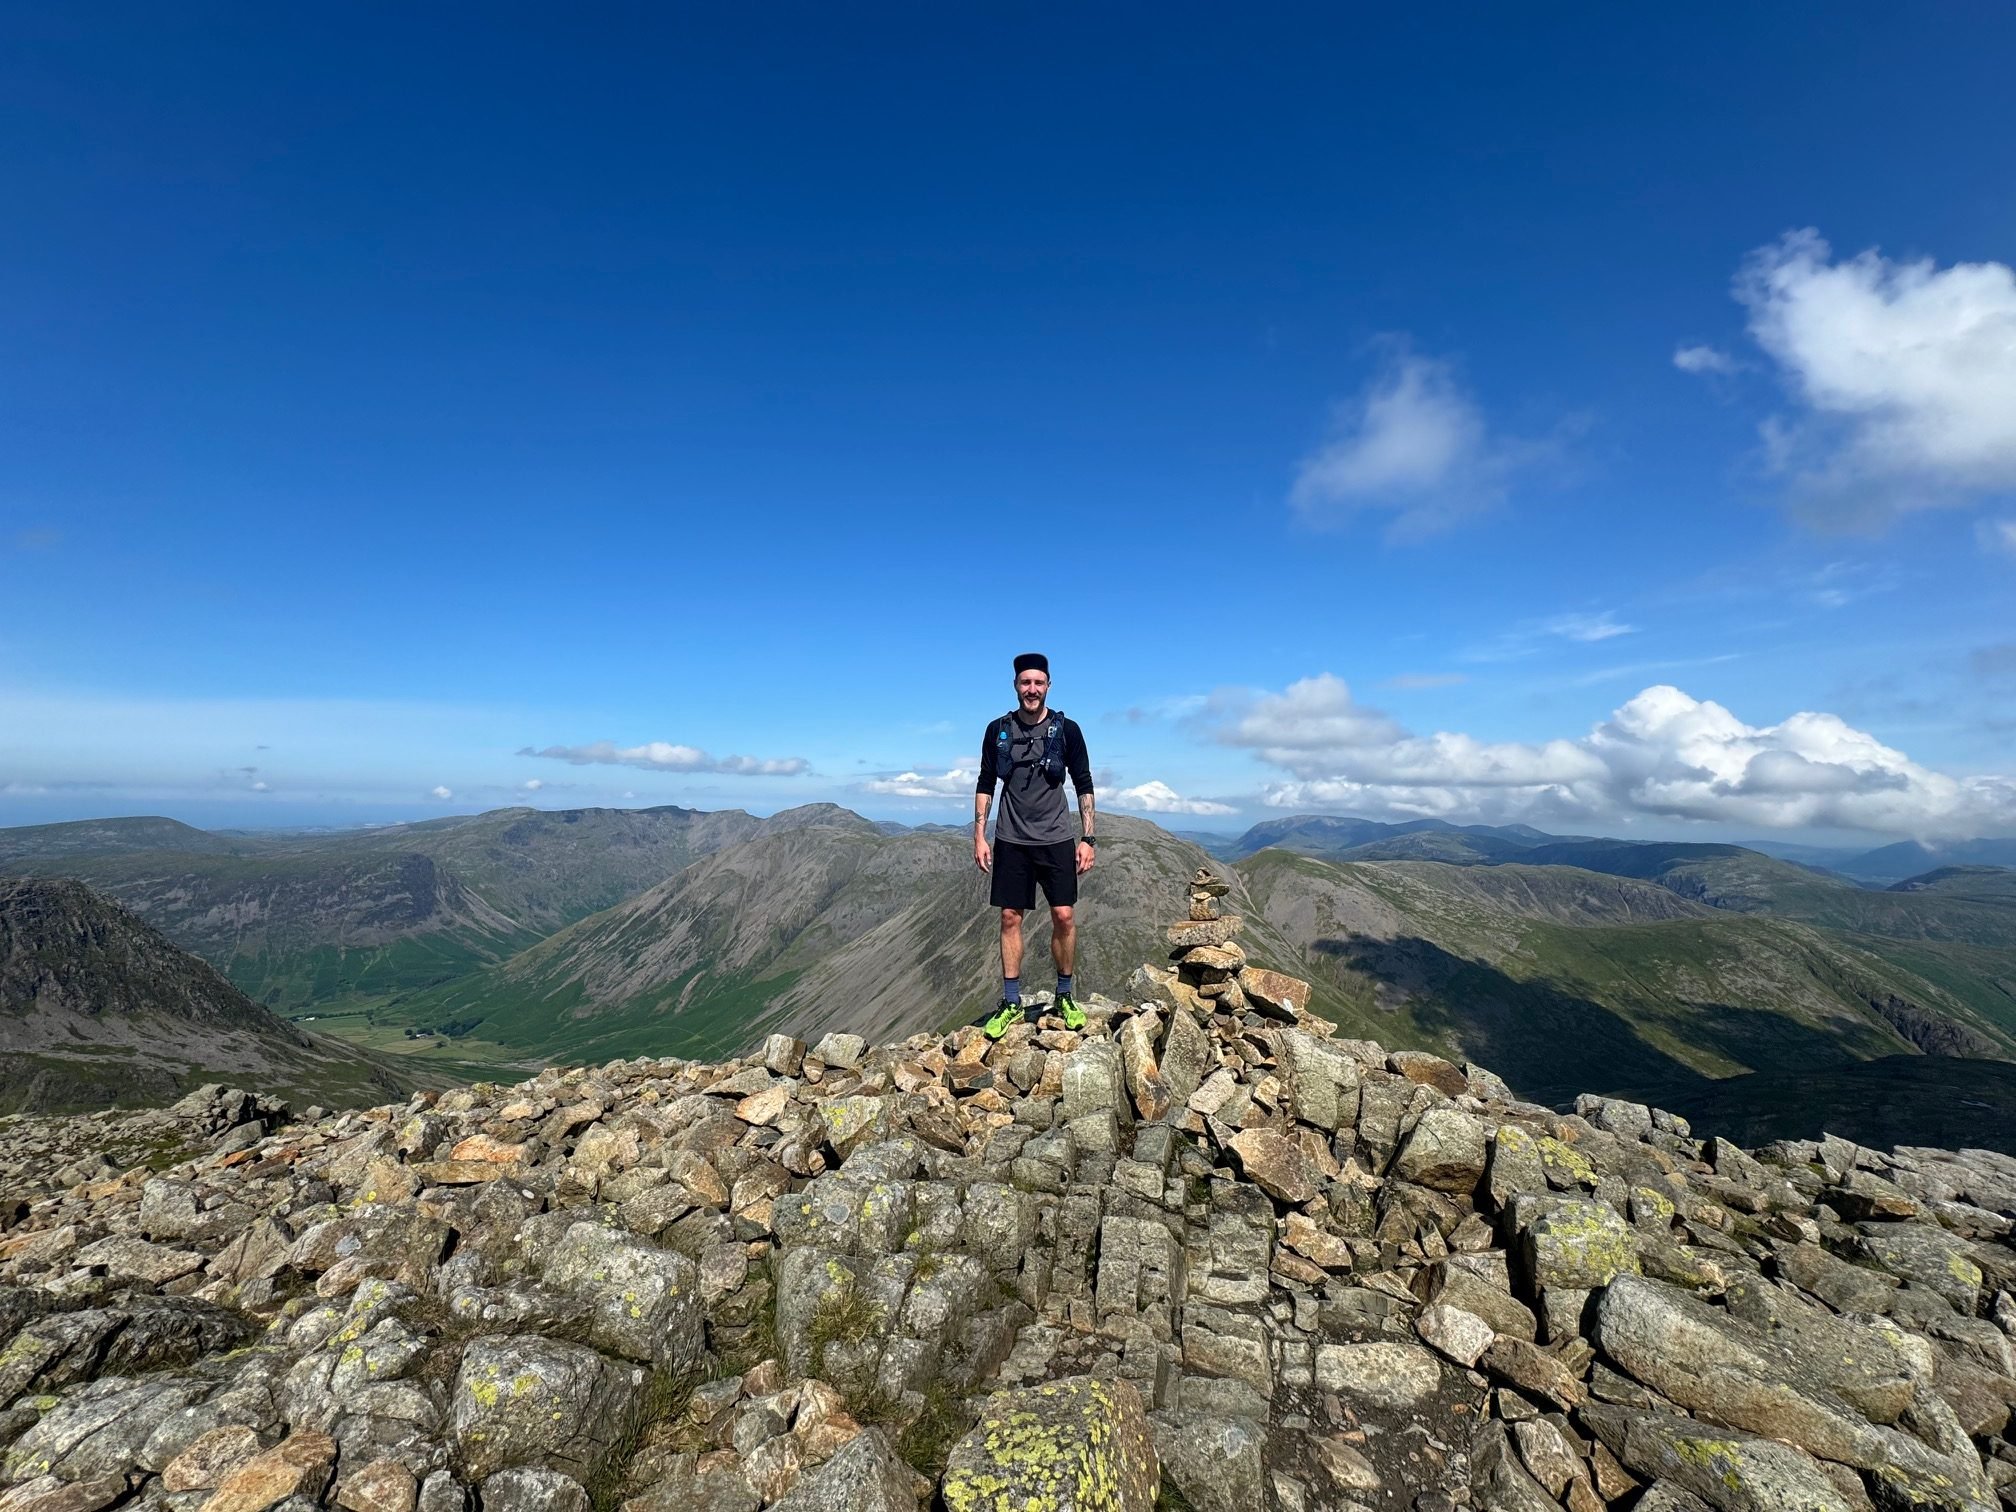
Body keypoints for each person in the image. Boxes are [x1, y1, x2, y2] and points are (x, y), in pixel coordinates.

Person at [973, 652, 1095, 1039]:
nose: (1032, 689)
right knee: (1010, 917)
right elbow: (985, 781)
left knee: (1064, 916)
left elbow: (1084, 782)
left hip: (1057, 837)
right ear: (1015, 686)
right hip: (1011, 838)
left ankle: (1064, 994)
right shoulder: (998, 730)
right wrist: (979, 834)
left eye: (1038, 682)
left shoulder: (1068, 730)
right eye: (1025, 682)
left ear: (1048, 686)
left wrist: (1089, 838)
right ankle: (1011, 1001)